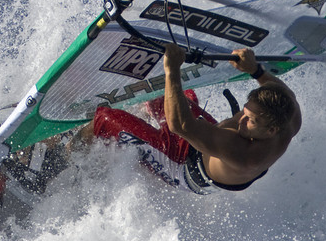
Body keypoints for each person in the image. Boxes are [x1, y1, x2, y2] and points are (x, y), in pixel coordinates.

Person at [81, 45, 299, 193]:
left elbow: (179, 125)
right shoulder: (289, 115)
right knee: (162, 95)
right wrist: (256, 70)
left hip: (181, 165)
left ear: (272, 130)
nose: (241, 120)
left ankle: (60, 158)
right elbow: (281, 90)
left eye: (251, 121)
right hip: (203, 142)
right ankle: (143, 118)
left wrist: (172, 68)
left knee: (104, 117)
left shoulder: (242, 152)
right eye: (244, 111)